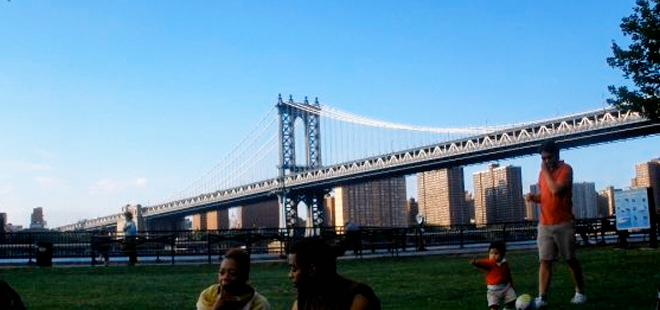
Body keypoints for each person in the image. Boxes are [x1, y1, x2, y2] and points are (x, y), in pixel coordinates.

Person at [525, 140, 586, 307]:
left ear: (557, 155)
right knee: (545, 260)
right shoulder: (542, 174)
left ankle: (580, 293)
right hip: (544, 224)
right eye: (543, 158)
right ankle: (542, 297)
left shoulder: (566, 170)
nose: (545, 161)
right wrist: (534, 198)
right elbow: (546, 196)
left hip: (563, 223)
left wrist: (545, 171)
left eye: (548, 157)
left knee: (570, 259)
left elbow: (556, 190)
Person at [288, 237, 380, 310]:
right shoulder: (304, 299)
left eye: (294, 269)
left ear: (312, 270)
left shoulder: (357, 298)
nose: (290, 275)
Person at [196, 248, 271, 310]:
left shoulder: (259, 304)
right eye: (222, 273)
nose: (225, 277)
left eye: (232, 273)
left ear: (245, 277)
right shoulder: (208, 296)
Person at [469, 241, 517, 310]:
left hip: (505, 287)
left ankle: (506, 308)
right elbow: (483, 264)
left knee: (512, 301)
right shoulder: (490, 263)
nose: (493, 255)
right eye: (491, 253)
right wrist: (476, 263)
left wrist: (512, 285)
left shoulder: (504, 264)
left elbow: (509, 275)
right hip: (493, 290)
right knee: (493, 306)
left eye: (496, 253)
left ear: (502, 254)